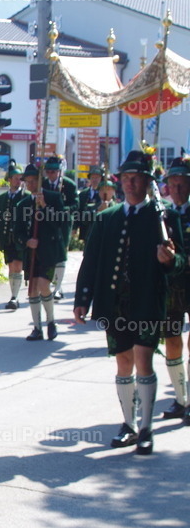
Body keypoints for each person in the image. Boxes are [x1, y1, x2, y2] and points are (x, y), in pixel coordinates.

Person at [74, 150, 183, 455]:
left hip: (148, 300)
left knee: (144, 359)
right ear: (119, 181)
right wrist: (83, 299)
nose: (130, 184)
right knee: (123, 362)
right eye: (126, 178)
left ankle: (146, 428)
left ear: (148, 182)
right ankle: (129, 424)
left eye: (136, 179)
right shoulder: (106, 218)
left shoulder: (165, 217)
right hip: (115, 303)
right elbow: (91, 261)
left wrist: (171, 260)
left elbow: (182, 262)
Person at [15, 163, 67, 340]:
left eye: (32, 181)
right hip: (32, 253)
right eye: (27, 182)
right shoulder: (22, 204)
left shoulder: (54, 197)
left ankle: (51, 321)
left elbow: (60, 223)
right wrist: (27, 241)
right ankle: (37, 328)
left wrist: (44, 206)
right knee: (32, 290)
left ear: (40, 180)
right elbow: (18, 232)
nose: (29, 185)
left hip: (49, 251)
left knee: (43, 285)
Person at [161, 154, 190, 423]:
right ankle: (182, 398)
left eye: (183, 184)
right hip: (172, 287)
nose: (178, 190)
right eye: (174, 184)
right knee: (172, 340)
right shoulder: (164, 215)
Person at [0, 159, 28, 310]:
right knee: (11, 266)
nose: (19, 181)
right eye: (16, 178)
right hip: (7, 238)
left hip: (20, 238)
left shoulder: (26, 196)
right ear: (10, 179)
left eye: (20, 179)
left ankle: (15, 297)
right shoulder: (0, 199)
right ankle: (13, 294)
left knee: (17, 265)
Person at [42, 155, 78, 299]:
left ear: (59, 171)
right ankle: (48, 283)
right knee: (48, 253)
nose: (51, 175)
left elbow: (75, 205)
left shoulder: (69, 185)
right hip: (46, 222)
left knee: (61, 254)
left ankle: (57, 287)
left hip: (62, 223)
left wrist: (62, 211)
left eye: (54, 172)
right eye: (48, 172)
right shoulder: (43, 184)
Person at [76, 165, 105, 242]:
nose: (95, 180)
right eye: (92, 177)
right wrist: (75, 227)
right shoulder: (83, 194)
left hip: (100, 228)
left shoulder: (105, 193)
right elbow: (78, 211)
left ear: (101, 179)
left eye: (97, 178)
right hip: (86, 229)